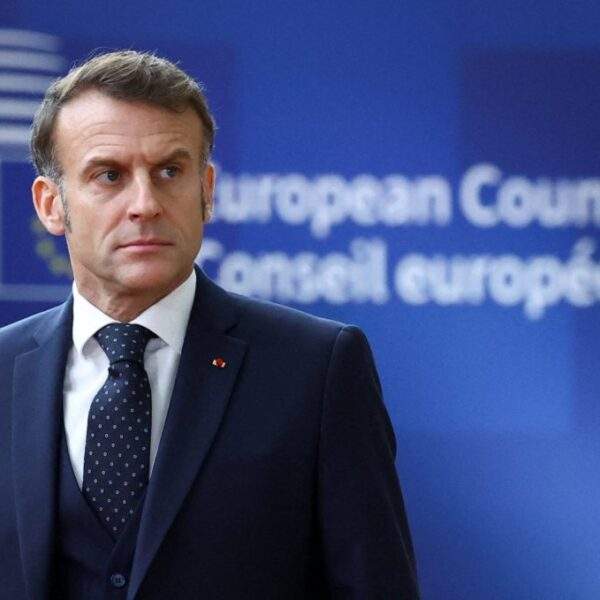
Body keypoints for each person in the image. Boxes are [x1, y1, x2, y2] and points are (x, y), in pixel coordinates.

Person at [0, 51, 419, 599]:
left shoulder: (317, 369)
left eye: (170, 172)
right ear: (51, 204)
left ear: (207, 189)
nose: (145, 204)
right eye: (110, 175)